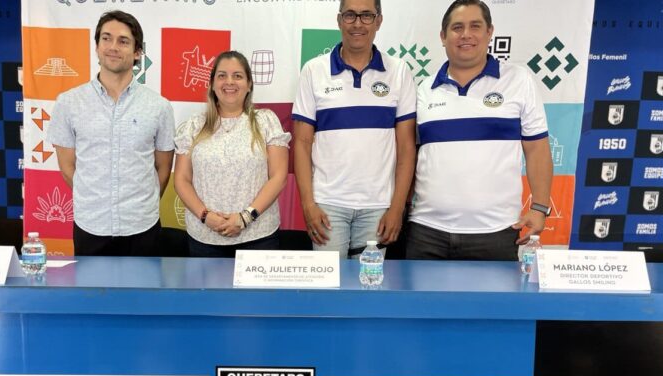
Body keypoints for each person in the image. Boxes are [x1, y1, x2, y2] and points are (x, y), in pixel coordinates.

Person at [407, 0, 553, 260]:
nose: (466, 35)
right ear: (443, 36)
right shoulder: (422, 89)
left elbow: (537, 149)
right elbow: (408, 156)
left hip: (497, 233)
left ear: (489, 32)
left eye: (475, 26)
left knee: (494, 304)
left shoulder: (518, 80)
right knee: (423, 303)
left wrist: (540, 208)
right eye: (457, 27)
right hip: (427, 233)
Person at [292, 0, 417, 258]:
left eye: (366, 16)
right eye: (350, 15)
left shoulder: (399, 71)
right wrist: (308, 204)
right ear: (339, 20)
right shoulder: (314, 71)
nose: (357, 23)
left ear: (379, 21)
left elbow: (406, 146)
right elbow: (302, 143)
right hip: (327, 205)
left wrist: (397, 208)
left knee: (369, 291)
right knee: (328, 292)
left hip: (379, 206)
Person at [48, 10, 175, 256]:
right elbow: (67, 167)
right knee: (92, 295)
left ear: (138, 52)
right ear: (96, 47)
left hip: (142, 227)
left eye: (123, 41)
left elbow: (163, 169)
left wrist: (138, 204)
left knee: (143, 295)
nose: (113, 47)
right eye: (106, 38)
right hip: (90, 226)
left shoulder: (159, 107)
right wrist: (96, 199)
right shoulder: (69, 103)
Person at [173, 51, 290, 258]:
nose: (230, 82)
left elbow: (278, 177)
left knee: (255, 293)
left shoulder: (266, 122)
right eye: (222, 75)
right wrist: (205, 216)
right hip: (204, 237)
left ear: (249, 84)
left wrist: (245, 217)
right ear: (211, 83)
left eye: (237, 76)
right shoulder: (194, 126)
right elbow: (182, 179)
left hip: (258, 237)